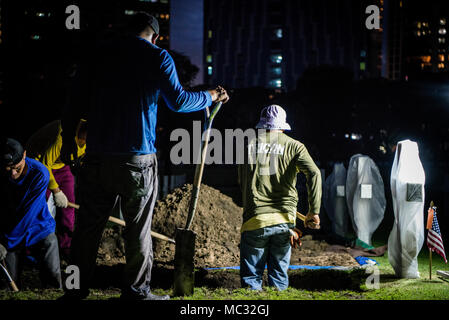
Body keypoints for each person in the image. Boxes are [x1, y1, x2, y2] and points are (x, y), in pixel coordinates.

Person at [59, 12, 229, 300]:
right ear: (156, 35)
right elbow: (178, 101)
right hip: (137, 159)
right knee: (138, 231)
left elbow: (73, 102)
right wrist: (209, 96)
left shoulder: (98, 55)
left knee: (87, 230)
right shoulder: (158, 57)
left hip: (97, 156)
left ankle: (75, 292)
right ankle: (137, 293)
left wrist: (67, 143)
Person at [237, 105, 321, 291]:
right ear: (282, 127)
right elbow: (314, 173)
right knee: (279, 276)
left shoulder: (248, 145)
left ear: (262, 126)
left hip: (255, 220)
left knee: (251, 277)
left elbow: (242, 182)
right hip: (284, 221)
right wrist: (313, 211)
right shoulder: (295, 146)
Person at [0, 138, 62, 289]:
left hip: (38, 227)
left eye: (17, 168)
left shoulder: (40, 174)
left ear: (25, 155)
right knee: (7, 285)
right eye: (8, 168)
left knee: (53, 277)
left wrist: (5, 243)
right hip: (8, 231)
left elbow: (27, 214)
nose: (13, 174)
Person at [26, 119, 87, 259]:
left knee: (69, 205)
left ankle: (65, 248)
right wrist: (56, 191)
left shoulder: (94, 137)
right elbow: (45, 165)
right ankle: (32, 250)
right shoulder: (62, 135)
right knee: (40, 208)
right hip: (37, 163)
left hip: (61, 165)